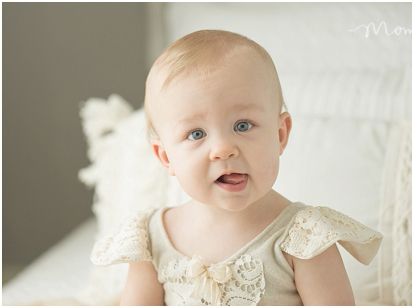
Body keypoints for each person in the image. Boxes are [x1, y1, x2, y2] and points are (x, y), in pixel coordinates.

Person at [90, 30, 382, 305]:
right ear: (166, 158)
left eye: (242, 125)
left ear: (280, 135)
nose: (223, 148)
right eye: (196, 134)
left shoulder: (303, 237)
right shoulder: (152, 238)